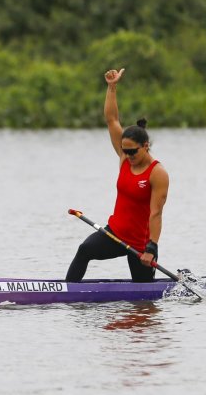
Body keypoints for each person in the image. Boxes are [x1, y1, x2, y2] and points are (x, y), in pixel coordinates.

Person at [65, 68, 169, 282]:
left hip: (141, 245)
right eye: (125, 150)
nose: (128, 155)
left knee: (144, 303)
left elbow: (156, 213)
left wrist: (151, 248)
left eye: (132, 151)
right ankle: (66, 292)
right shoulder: (124, 159)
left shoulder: (157, 174)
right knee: (84, 249)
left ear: (145, 146)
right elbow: (112, 119)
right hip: (114, 234)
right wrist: (112, 87)